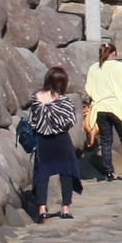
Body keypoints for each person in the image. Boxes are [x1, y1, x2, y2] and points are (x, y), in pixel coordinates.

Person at [22, 62, 83, 222]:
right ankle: (65, 208)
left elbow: (33, 121)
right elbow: (70, 121)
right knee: (66, 173)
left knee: (42, 173)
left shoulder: (36, 99)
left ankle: (42, 208)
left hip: (43, 141)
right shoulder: (64, 102)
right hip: (61, 140)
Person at [86, 40, 122, 181]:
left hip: (100, 108)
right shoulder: (119, 66)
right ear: (114, 53)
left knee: (106, 140)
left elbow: (89, 90)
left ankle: (108, 172)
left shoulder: (93, 68)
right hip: (117, 108)